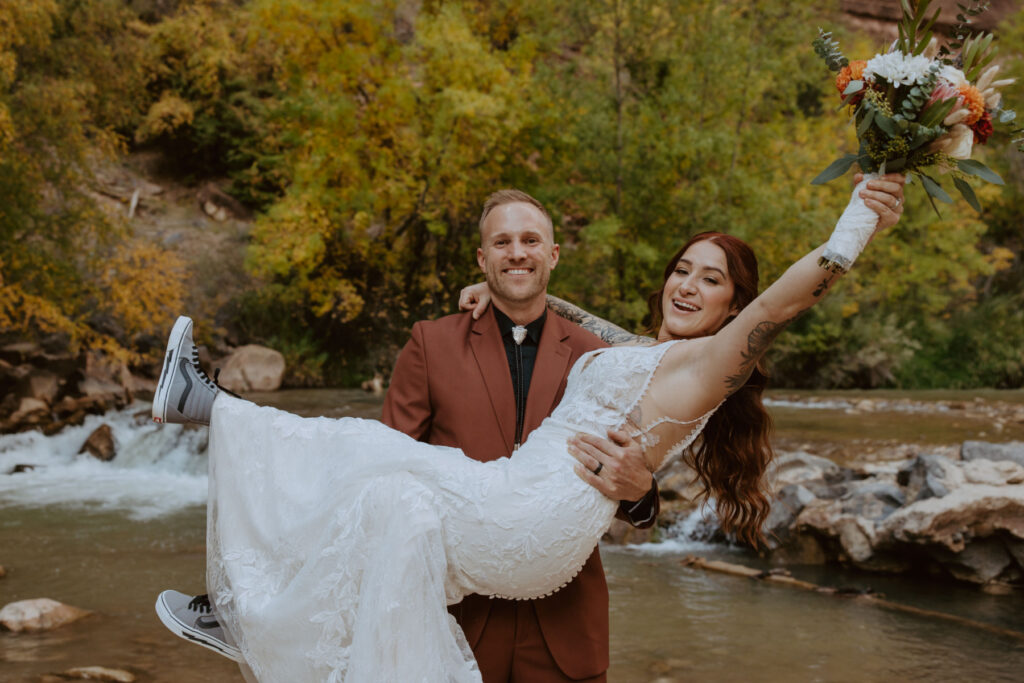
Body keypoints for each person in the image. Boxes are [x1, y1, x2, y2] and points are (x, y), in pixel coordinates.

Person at [151, 175, 906, 682]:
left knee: (366, 452)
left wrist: (858, 221)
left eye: (712, 280)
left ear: (732, 304)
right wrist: (506, 289)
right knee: (382, 496)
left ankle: (206, 408)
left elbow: (777, 308)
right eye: (683, 268)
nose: (688, 282)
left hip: (537, 528)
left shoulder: (711, 363)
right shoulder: (639, 352)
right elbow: (572, 314)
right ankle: (250, 612)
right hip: (511, 514)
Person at [155, 190, 660, 681]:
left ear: (552, 254)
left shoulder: (600, 358)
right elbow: (366, 478)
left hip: (565, 630)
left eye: (530, 241)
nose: (517, 252)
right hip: (447, 627)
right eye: (502, 243)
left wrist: (640, 492)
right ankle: (249, 605)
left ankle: (209, 413)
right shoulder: (432, 342)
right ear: (481, 259)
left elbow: (629, 470)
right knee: (361, 461)